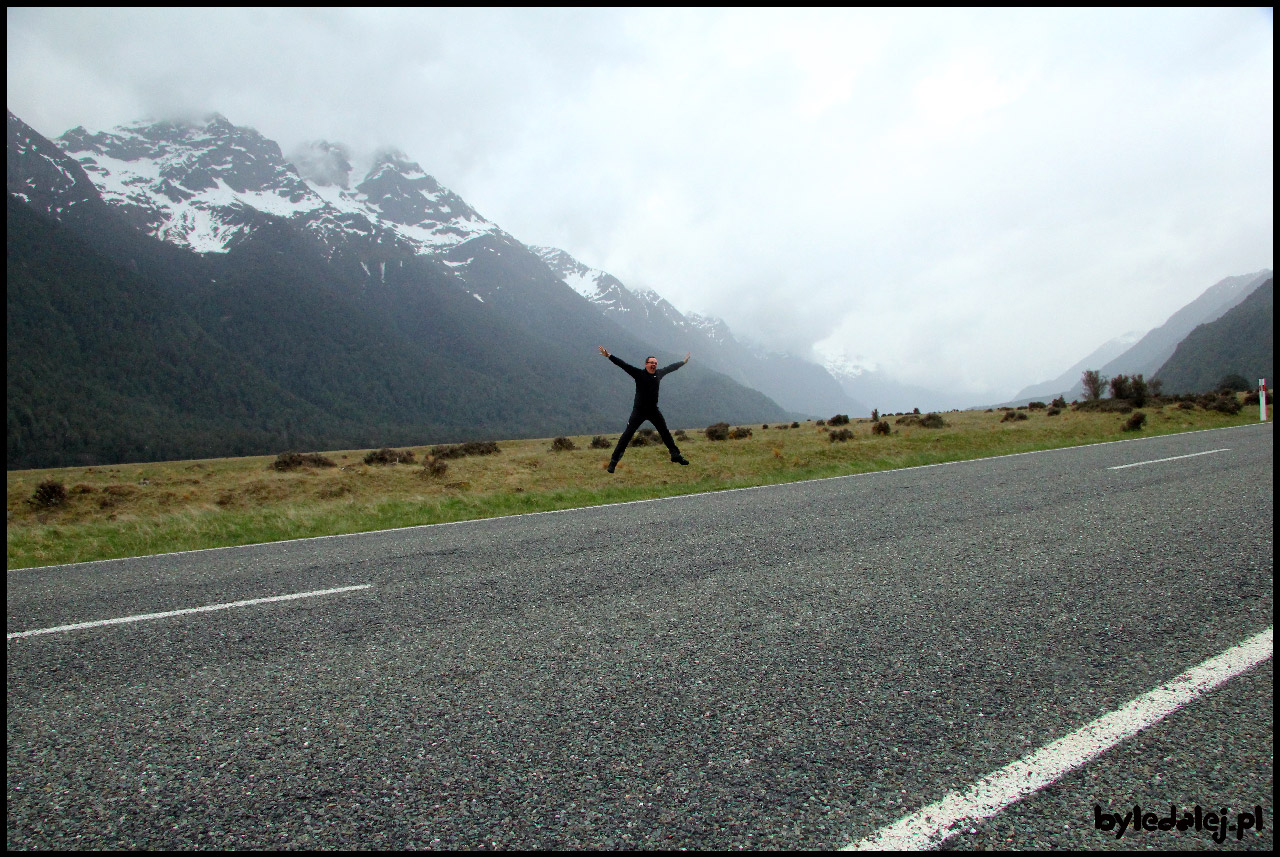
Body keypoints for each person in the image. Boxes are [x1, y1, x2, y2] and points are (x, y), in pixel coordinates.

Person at [599, 346, 691, 472]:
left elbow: (671, 368)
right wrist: (609, 356)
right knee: (626, 436)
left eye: (655, 363)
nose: (653, 365)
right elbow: (623, 365)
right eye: (651, 363)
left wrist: (683, 362)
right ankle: (613, 462)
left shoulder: (659, 374)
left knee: (665, 432)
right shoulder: (639, 374)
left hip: (653, 411)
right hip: (639, 411)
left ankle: (676, 455)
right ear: (646, 364)